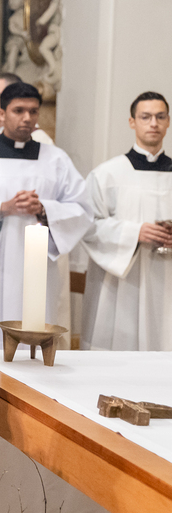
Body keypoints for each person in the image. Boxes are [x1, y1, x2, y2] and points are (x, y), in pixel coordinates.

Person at [0, 81, 91, 346]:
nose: (27, 118)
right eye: (18, 111)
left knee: (36, 322)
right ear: (2, 113)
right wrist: (3, 208)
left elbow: (82, 208)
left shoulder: (56, 159)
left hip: (39, 265)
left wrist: (44, 209)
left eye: (33, 111)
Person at [82, 91, 172, 350]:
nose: (153, 123)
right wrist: (134, 233)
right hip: (122, 285)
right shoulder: (107, 174)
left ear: (168, 122)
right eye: (145, 117)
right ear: (132, 122)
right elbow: (87, 225)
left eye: (160, 117)